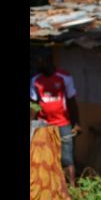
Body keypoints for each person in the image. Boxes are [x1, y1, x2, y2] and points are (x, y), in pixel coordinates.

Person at [30, 54, 81, 187]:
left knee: (66, 159)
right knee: (45, 158)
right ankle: (50, 189)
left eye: (39, 63)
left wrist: (76, 123)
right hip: (44, 126)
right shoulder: (36, 80)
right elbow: (34, 106)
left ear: (48, 62)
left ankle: (70, 189)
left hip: (63, 124)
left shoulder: (64, 77)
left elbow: (71, 102)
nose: (37, 66)